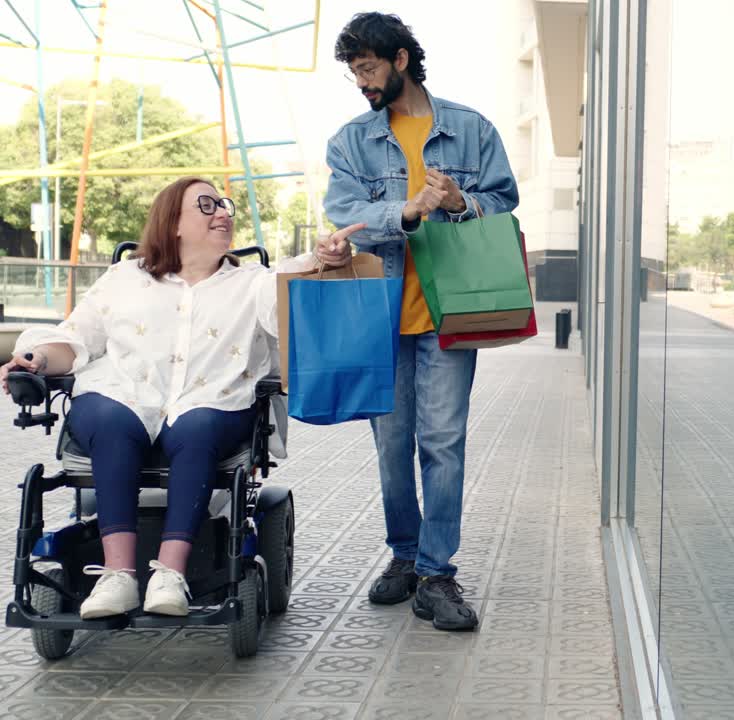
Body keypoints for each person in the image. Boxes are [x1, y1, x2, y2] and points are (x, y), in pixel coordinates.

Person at [0, 176, 361, 619]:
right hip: (124, 395)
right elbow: (75, 340)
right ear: (173, 222)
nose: (223, 213)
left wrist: (327, 257)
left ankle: (170, 574)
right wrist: (33, 358)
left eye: (225, 205)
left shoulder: (252, 282)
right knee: (109, 417)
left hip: (210, 403)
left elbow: (299, 282)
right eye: (206, 205)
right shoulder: (124, 278)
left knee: (198, 424)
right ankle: (118, 576)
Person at [322, 12, 518, 631]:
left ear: (401, 59)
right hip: (378, 312)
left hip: (449, 309)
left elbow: (504, 202)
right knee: (390, 449)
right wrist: (405, 211)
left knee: (443, 443)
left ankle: (437, 573)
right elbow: (345, 210)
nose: (362, 83)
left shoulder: (471, 129)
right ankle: (403, 556)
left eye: (369, 68)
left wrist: (462, 203)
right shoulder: (350, 141)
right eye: (355, 73)